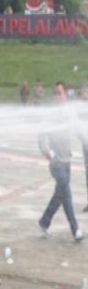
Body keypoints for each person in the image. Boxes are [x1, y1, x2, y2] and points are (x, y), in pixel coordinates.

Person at [38, 81, 83, 241]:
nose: (57, 96)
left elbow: (79, 129)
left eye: (60, 93)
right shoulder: (51, 114)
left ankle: (44, 222)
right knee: (67, 195)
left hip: (67, 160)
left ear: (65, 95)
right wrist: (44, 150)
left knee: (60, 195)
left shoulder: (70, 112)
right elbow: (41, 133)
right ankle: (75, 229)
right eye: (55, 93)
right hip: (56, 162)